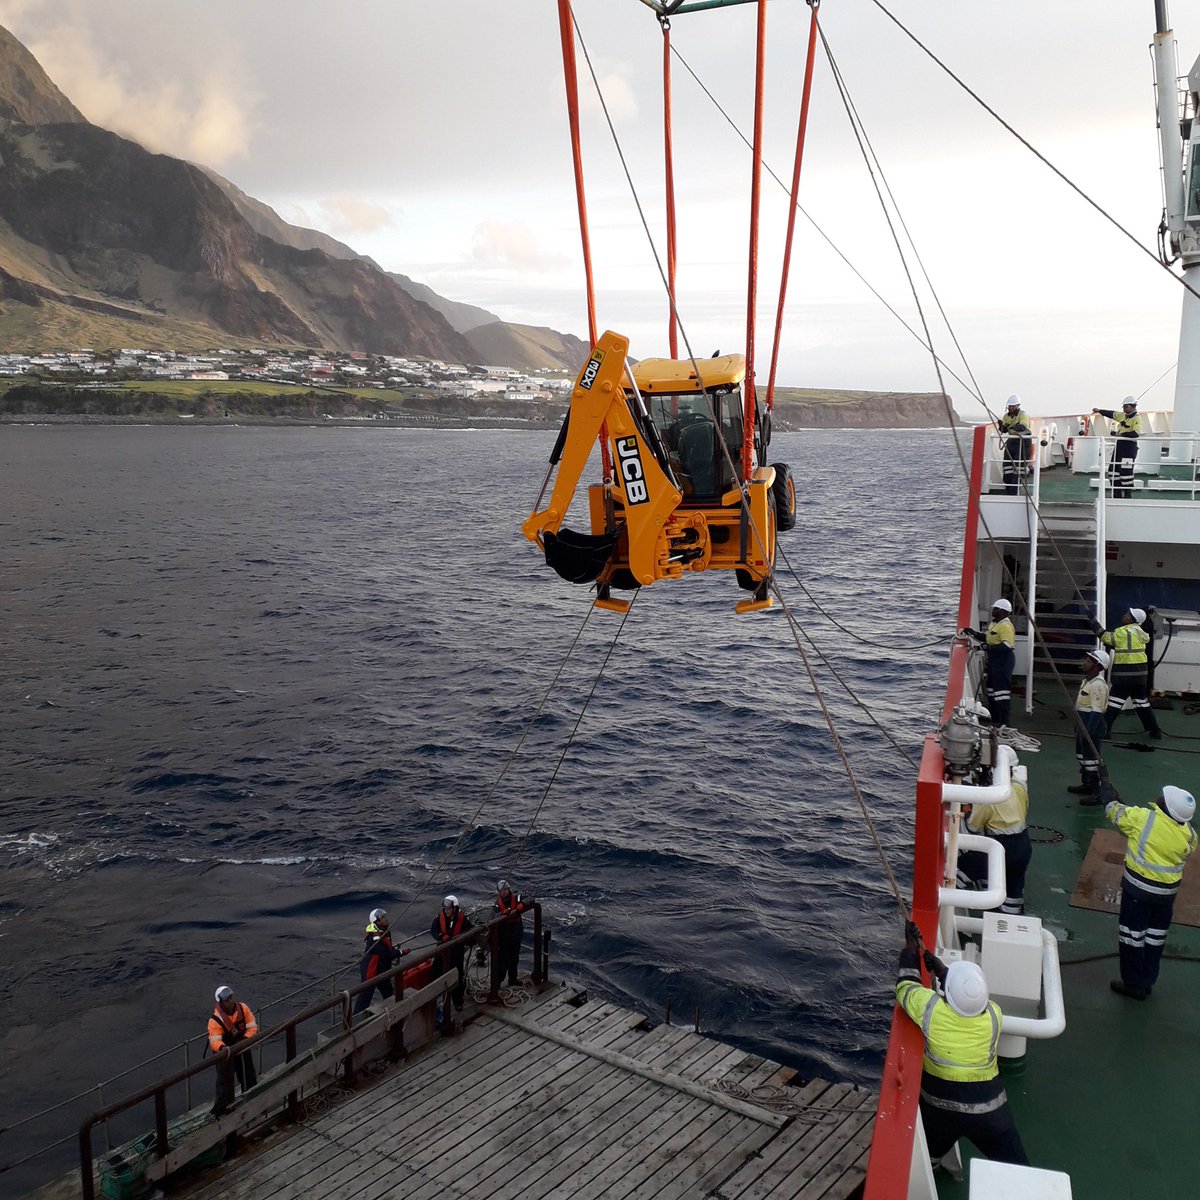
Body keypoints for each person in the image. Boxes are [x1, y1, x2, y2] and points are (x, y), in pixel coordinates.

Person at [896, 923, 1028, 1167]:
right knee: (1017, 1166)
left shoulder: (931, 1010)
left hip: (939, 1109)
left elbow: (906, 987)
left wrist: (910, 951)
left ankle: (933, 1166)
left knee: (929, 1157)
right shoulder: (993, 1016)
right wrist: (943, 972)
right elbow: (966, 999)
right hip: (989, 1112)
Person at [1105, 786, 1197, 999]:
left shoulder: (1143, 818)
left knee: (1132, 936)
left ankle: (1133, 984)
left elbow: (1116, 814)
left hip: (1138, 891)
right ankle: (1147, 980)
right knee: (1155, 938)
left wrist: (1108, 798)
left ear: (1164, 806)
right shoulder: (1191, 835)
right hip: (1166, 896)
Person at [958, 768, 1032, 914]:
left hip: (1001, 849)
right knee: (1014, 886)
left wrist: (967, 809)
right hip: (1024, 846)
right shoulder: (1018, 788)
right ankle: (1012, 917)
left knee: (958, 870)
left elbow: (973, 827)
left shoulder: (988, 799)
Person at [1090, 607, 1161, 739]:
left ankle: (1104, 731)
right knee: (1141, 703)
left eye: (1128, 614)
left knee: (1113, 703)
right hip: (1140, 676)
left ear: (1132, 620)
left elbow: (1105, 637)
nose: (1124, 615)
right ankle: (1155, 730)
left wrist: (1093, 622)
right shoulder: (1140, 633)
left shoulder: (1124, 632)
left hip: (1125, 675)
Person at [962, 599, 1016, 729]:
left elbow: (1008, 645)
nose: (993, 610)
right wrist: (973, 633)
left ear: (1002, 611)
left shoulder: (1005, 625)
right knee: (991, 689)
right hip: (994, 660)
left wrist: (989, 648)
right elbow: (987, 637)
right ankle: (995, 719)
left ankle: (1003, 722)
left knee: (1001, 692)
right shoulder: (995, 623)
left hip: (1003, 661)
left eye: (996, 608)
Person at [208, 985, 258, 1116]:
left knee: (249, 1077)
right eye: (226, 999)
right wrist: (223, 1048)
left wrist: (246, 1040)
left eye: (231, 997)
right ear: (221, 1002)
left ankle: (252, 1104)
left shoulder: (243, 1008)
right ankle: (220, 1112)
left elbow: (252, 1026)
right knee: (224, 1084)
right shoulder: (215, 1020)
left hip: (243, 1047)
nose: (230, 1001)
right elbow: (214, 1041)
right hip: (226, 1055)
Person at [1069, 648, 1111, 803]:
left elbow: (1097, 711)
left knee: (1091, 759)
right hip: (1082, 723)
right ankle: (1086, 783)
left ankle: (1095, 791)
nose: (1084, 663)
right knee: (1082, 756)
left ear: (1097, 666)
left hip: (1091, 724)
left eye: (1088, 661)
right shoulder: (1087, 680)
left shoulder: (1098, 685)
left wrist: (1089, 732)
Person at [430, 894, 472, 1030]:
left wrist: (464, 939)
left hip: (456, 953)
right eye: (445, 908)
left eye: (449, 908)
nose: (446, 911)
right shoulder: (439, 918)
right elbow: (433, 930)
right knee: (434, 974)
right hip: (442, 951)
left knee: (457, 977)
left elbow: (470, 933)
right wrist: (442, 936)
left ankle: (458, 1001)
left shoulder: (463, 920)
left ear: (454, 908)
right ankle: (435, 1002)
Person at [355, 907, 408, 1015]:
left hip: (382, 970)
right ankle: (354, 1020)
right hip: (371, 970)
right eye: (383, 917)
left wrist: (396, 951)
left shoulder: (385, 932)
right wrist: (401, 952)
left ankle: (395, 1012)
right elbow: (386, 955)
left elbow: (388, 950)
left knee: (389, 992)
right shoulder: (375, 938)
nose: (386, 919)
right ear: (377, 921)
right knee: (365, 996)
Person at [1091, 396, 1141, 498]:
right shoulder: (1122, 415)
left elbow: (1136, 433)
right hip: (1120, 446)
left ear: (1133, 407)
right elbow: (1112, 414)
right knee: (1113, 470)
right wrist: (1100, 411)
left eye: (1127, 407)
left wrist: (1119, 435)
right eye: (1124, 407)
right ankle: (1116, 493)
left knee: (1126, 472)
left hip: (1129, 448)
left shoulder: (1137, 418)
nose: (1125, 409)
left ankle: (1127, 495)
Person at [493, 880, 531, 987]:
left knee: (514, 959)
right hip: (504, 938)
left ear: (509, 889)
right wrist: (501, 914)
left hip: (515, 935)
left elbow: (531, 899)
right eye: (501, 890)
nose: (504, 892)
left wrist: (522, 904)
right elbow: (493, 917)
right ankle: (497, 983)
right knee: (503, 962)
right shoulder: (497, 905)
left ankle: (513, 979)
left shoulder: (517, 898)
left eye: (505, 889)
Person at [997, 397, 1032, 495]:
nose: (1011, 408)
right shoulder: (1006, 416)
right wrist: (1001, 426)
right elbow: (1004, 430)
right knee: (1007, 468)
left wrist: (1010, 427)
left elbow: (1022, 426)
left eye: (1013, 406)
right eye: (1010, 406)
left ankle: (1014, 492)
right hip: (1012, 442)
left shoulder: (1023, 415)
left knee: (1018, 469)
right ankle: (1008, 489)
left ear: (1018, 406)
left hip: (1023, 442)